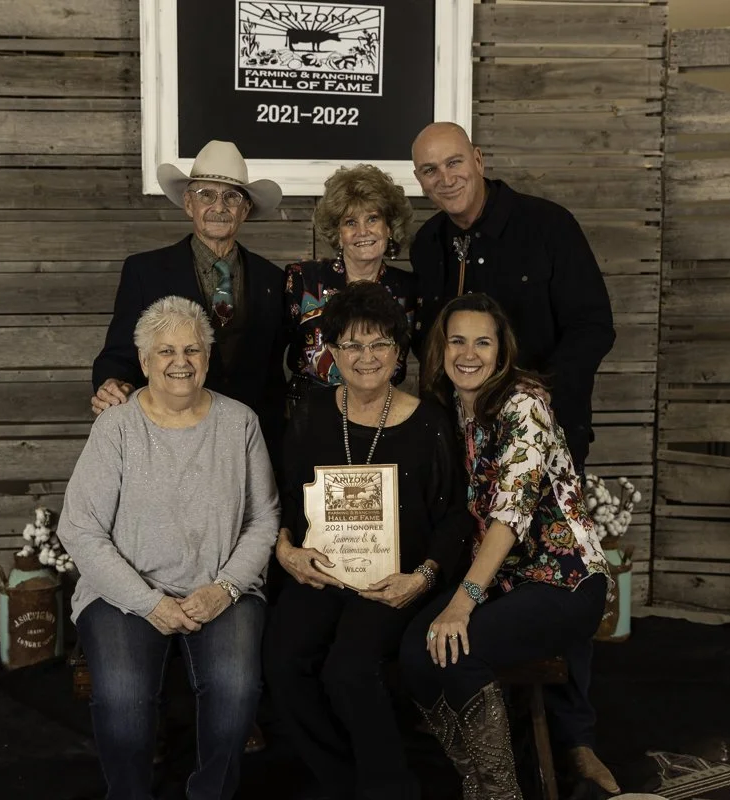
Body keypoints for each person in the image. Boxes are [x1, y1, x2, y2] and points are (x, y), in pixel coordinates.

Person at [410, 121, 618, 795]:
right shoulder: (428, 243)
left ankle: (574, 738)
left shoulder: (546, 225)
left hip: (539, 430)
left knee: (550, 560)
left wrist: (534, 395)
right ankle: (485, 736)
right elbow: (438, 341)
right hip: (468, 433)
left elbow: (593, 325)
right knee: (479, 587)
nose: (445, 178)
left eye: (454, 163)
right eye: (430, 170)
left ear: (478, 159)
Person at [57, 296, 280, 800]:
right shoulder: (116, 427)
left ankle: (210, 793)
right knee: (124, 696)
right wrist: (149, 602)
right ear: (143, 362)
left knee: (236, 688)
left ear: (208, 357)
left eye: (192, 350)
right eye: (166, 351)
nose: (181, 361)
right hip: (124, 593)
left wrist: (225, 588)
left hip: (221, 587)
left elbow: (263, 518)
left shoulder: (240, 422)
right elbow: (80, 529)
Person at [265, 281, 472, 800]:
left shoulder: (429, 422)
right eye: (352, 344)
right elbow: (288, 495)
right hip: (322, 572)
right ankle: (341, 781)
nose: (367, 357)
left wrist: (422, 577)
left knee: (348, 670)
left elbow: (454, 518)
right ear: (333, 353)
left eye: (380, 343)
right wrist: (285, 549)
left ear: (398, 353)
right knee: (282, 662)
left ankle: (390, 787)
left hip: (394, 580)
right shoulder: (310, 412)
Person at [90, 139, 287, 457]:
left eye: (232, 197)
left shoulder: (273, 280)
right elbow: (118, 355)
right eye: (206, 194)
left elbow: (276, 372)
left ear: (245, 210)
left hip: (252, 441)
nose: (219, 207)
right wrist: (112, 382)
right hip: (166, 439)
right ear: (188, 204)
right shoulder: (145, 272)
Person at [283, 164, 418, 411]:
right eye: (350, 222)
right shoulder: (303, 279)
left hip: (382, 414)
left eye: (373, 219)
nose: (363, 231)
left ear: (389, 227)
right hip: (309, 414)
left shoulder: (409, 288)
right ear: (338, 233)